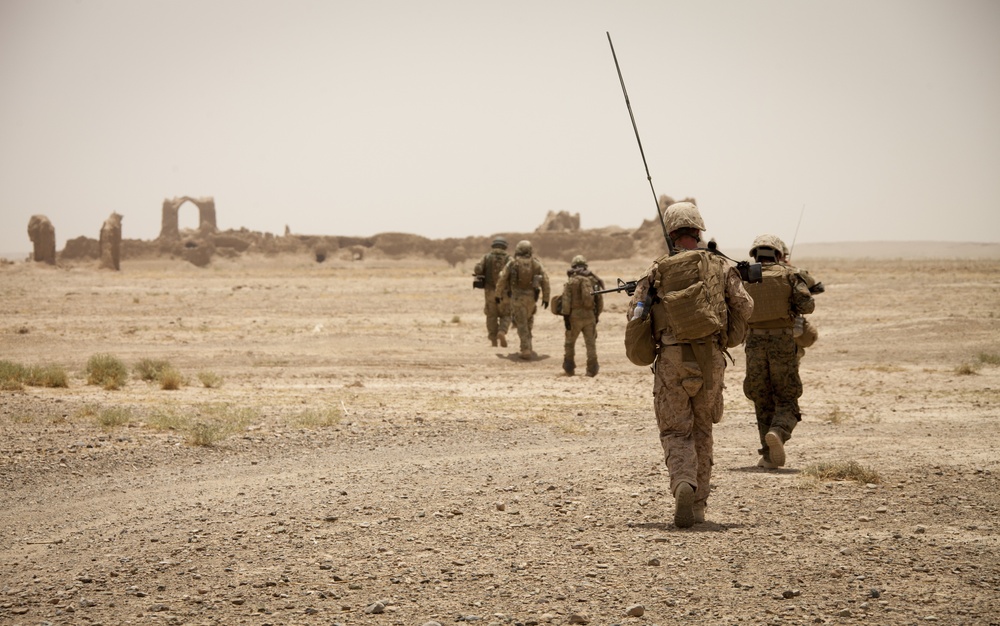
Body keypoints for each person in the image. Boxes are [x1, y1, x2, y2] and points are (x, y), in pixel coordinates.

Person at [625, 202, 753, 527]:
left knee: (674, 430)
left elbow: (635, 313)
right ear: (698, 231)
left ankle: (683, 481)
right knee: (702, 430)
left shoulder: (657, 270)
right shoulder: (722, 267)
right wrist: (728, 333)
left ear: (671, 233)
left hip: (671, 359)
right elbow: (745, 305)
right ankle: (698, 508)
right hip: (710, 359)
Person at [742, 234, 816, 470]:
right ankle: (778, 432)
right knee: (786, 398)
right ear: (778, 254)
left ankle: (767, 455)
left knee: (761, 398)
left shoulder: (744, 277)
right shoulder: (789, 275)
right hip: (782, 343)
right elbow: (807, 305)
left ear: (755, 254)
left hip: (754, 344)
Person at [496, 240, 550, 360]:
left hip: (517, 298)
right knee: (529, 320)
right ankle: (529, 346)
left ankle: (525, 349)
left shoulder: (512, 263)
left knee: (521, 323)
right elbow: (545, 280)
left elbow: (502, 278)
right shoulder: (536, 264)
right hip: (531, 299)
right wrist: (546, 297)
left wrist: (498, 294)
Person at [556, 255, 604, 376]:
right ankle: (592, 369)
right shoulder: (593, 280)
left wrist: (566, 318)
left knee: (569, 343)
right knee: (590, 343)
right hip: (589, 316)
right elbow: (599, 301)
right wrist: (596, 316)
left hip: (574, 317)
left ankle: (569, 368)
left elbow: (566, 301)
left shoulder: (571, 281)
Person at [779, 241, 823, 360]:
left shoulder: (757, 272)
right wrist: (790, 267)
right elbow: (810, 281)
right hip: (789, 325)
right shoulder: (793, 273)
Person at [473, 237, 512, 347]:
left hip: (490, 291)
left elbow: (478, 269)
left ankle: (493, 339)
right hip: (505, 293)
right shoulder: (509, 259)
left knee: (491, 315)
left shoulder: (486, 257)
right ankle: (502, 331)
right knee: (507, 314)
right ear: (505, 246)